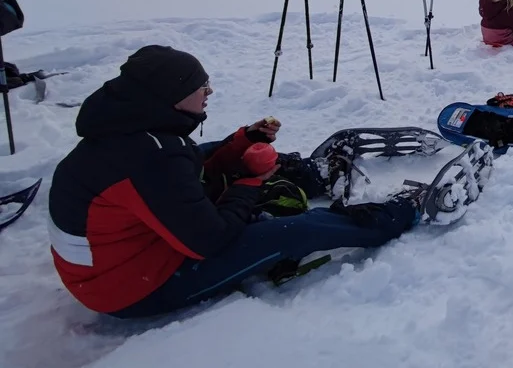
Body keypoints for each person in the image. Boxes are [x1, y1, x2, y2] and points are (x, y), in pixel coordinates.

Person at [47, 45, 454, 319]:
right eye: (199, 87)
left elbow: (188, 165)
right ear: (169, 96)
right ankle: (396, 214)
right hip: (131, 288)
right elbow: (211, 239)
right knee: (294, 231)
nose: (209, 91)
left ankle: (312, 175)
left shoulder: (134, 131)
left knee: (232, 160)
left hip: (132, 251)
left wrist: (244, 143)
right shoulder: (148, 157)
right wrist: (250, 183)